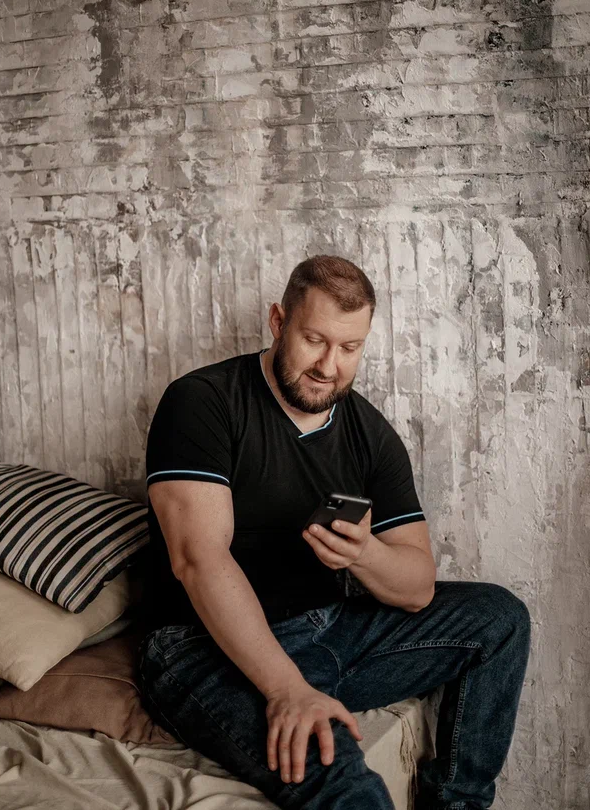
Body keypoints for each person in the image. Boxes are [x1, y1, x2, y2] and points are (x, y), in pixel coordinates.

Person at [138, 255, 530, 810]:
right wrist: (288, 691)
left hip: (328, 630)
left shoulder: (370, 433)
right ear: (278, 322)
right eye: (314, 340)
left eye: (350, 348)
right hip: (203, 648)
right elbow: (199, 560)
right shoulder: (203, 401)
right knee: (345, 781)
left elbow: (417, 586)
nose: (329, 365)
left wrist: (365, 554)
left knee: (499, 618)